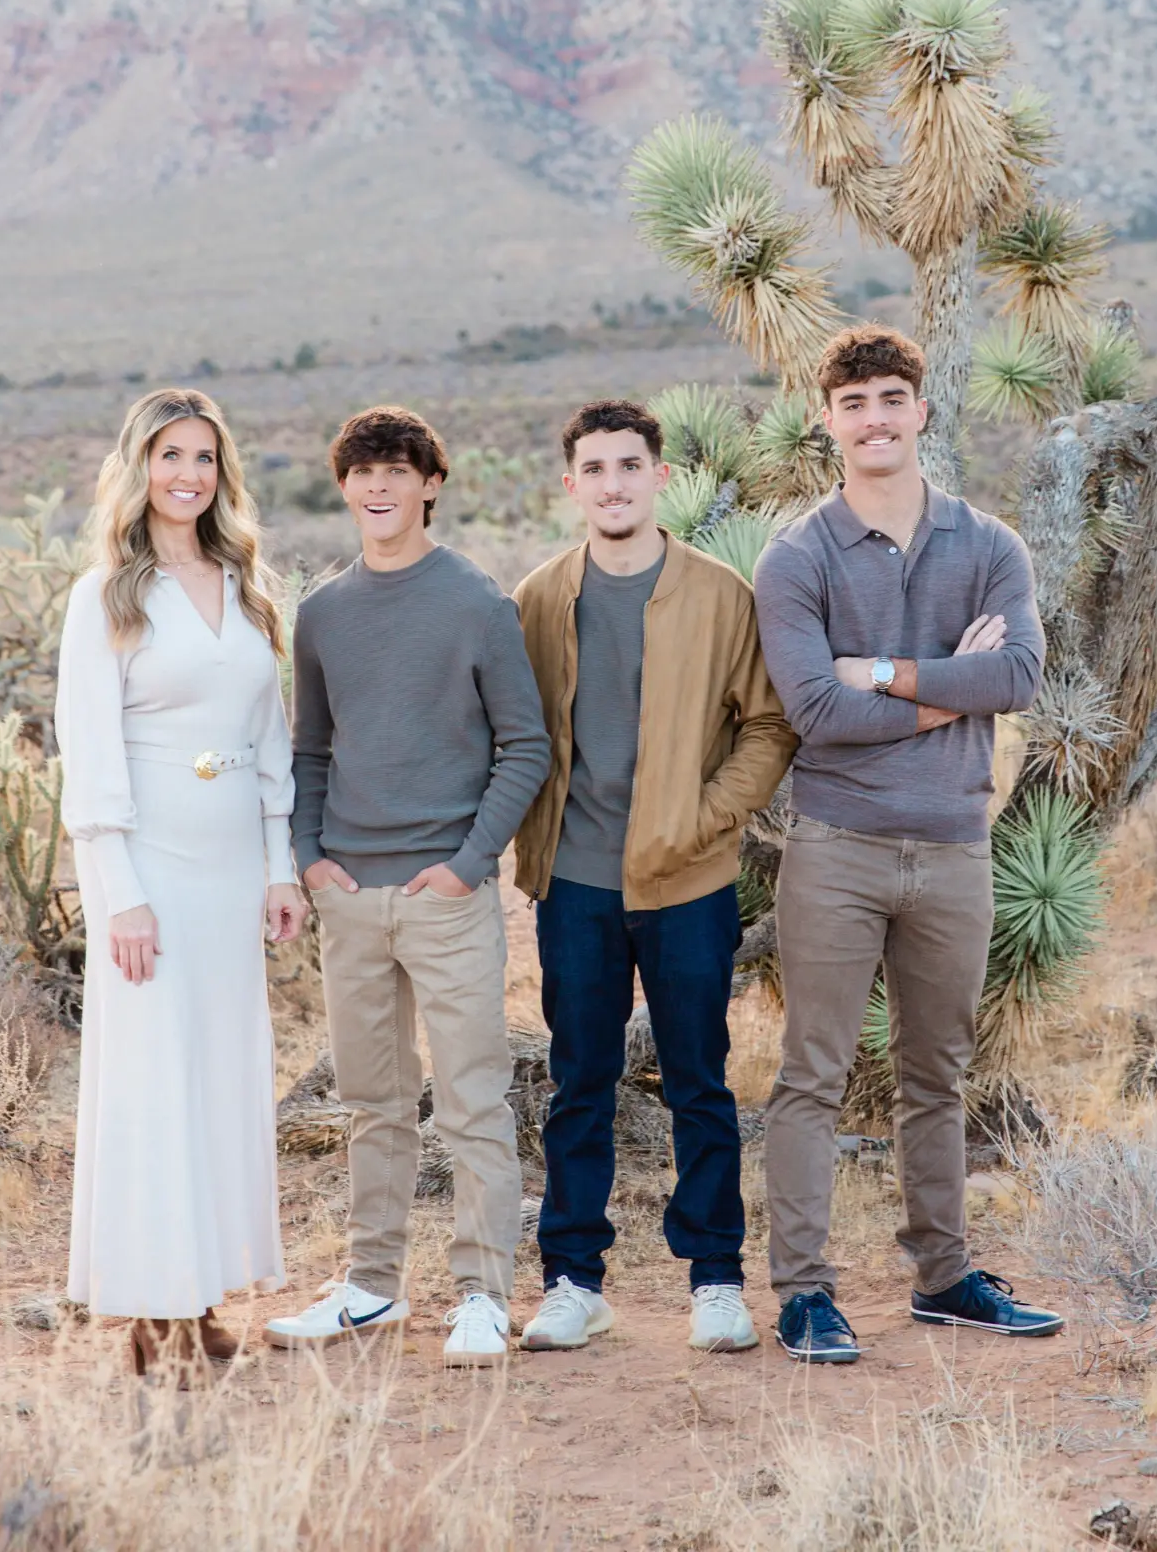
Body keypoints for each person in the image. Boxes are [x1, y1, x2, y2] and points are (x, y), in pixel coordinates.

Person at [753, 324, 1062, 1362]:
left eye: (892, 397)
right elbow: (810, 706)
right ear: (828, 420)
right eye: (854, 402)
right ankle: (804, 1292)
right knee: (814, 1073)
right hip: (838, 844)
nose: (874, 417)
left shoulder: (991, 545)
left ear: (922, 410)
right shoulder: (798, 554)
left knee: (939, 1071)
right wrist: (943, 686)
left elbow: (1016, 678)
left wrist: (879, 673)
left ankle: (944, 1276)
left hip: (954, 846)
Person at [265, 406, 550, 1367]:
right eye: (361, 472)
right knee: (371, 1104)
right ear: (343, 487)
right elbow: (308, 749)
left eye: (397, 470)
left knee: (471, 1101)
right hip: (349, 896)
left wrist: (468, 867)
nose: (378, 487)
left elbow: (526, 746)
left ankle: (481, 1293)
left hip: (447, 898)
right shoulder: (325, 612)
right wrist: (310, 857)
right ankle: (370, 1289)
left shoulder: (475, 601)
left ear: (430, 482)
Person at [512, 400, 796, 1354]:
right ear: (571, 487)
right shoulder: (540, 598)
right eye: (593, 469)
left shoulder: (719, 594)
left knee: (698, 1084)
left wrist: (709, 818)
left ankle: (715, 1279)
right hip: (576, 884)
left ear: (658, 475)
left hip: (688, 881)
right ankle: (572, 1282)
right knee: (578, 1084)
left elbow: (766, 723)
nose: (613, 484)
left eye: (629, 465)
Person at [57, 388, 307, 1377]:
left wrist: (280, 865)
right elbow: (90, 754)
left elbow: (267, 737)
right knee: (153, 1082)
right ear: (140, 466)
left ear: (221, 473)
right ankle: (149, 1313)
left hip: (231, 868)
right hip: (150, 869)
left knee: (219, 1080)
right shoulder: (106, 596)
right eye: (169, 455)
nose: (187, 474)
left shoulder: (247, 586)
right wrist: (117, 889)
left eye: (204, 456)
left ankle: (202, 1296)